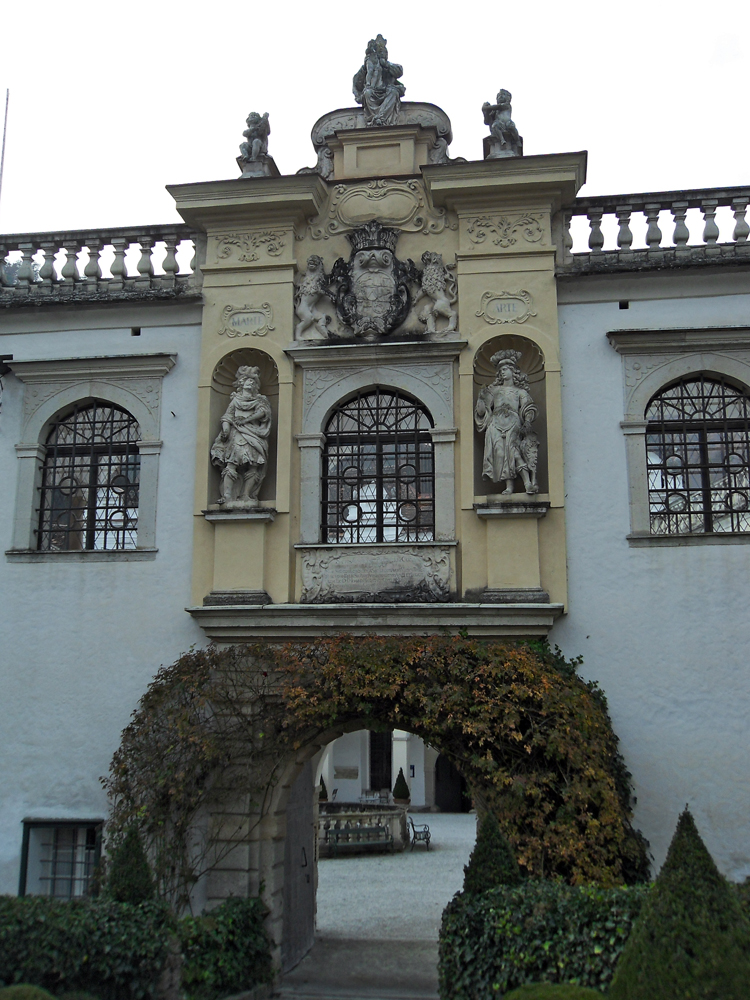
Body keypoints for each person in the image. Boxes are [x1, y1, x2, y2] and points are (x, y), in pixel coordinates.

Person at [475, 350, 538, 494]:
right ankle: (509, 487)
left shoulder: (520, 392)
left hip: (513, 423)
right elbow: (481, 411)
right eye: (501, 370)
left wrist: (527, 420)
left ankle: (528, 483)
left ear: (513, 371)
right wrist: (481, 397)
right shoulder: (494, 390)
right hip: (495, 424)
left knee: (514, 452)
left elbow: (529, 408)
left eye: (505, 370)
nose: (502, 372)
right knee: (500, 453)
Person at [211, 366, 272, 505]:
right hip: (237, 436)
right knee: (232, 464)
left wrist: (246, 420)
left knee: (254, 465)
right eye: (247, 381)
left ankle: (246, 495)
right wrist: (226, 429)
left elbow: (263, 413)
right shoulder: (235, 400)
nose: (250, 383)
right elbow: (227, 416)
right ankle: (227, 495)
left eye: (252, 381)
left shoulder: (260, 400)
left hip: (254, 435)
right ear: (241, 383)